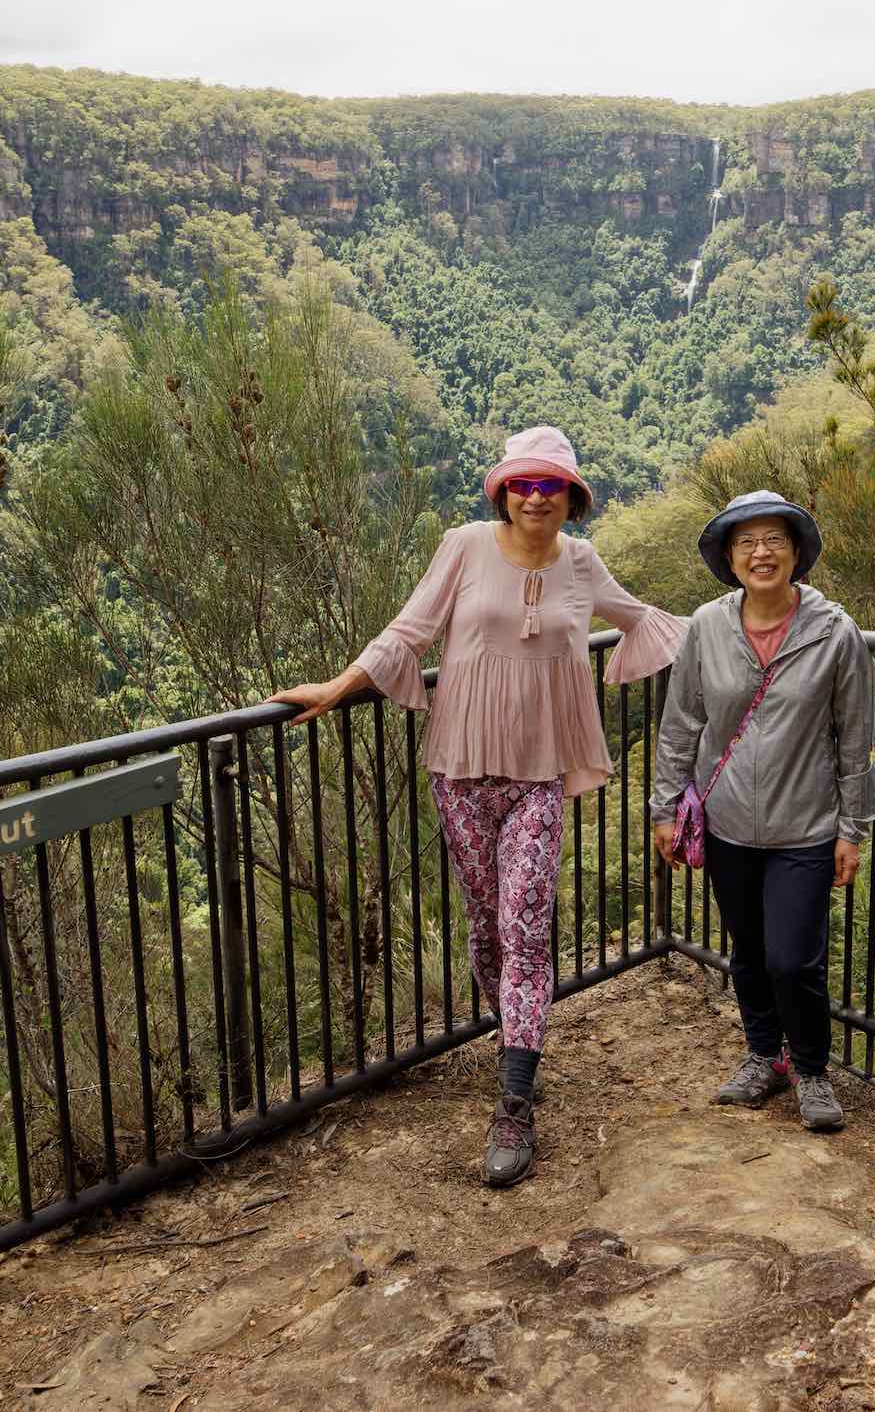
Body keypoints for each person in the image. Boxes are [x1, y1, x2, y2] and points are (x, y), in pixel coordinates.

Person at [268, 425, 681, 1187]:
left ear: (571, 498)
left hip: (539, 775)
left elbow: (643, 620)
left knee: (525, 925)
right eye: (523, 484)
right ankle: (515, 1043)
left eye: (550, 486)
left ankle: (515, 1105)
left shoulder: (583, 564)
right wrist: (336, 686)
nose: (535, 496)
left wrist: (749, 644)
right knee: (489, 930)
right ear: (502, 491)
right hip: (459, 771)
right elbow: (410, 630)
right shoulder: (463, 545)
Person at [650, 490, 875, 1132]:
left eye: (774, 538)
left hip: (806, 824)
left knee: (793, 958)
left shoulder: (835, 632)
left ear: (797, 551)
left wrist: (851, 829)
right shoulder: (707, 628)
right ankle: (762, 1056)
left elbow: (855, 737)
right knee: (748, 950)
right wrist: (665, 809)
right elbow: (681, 723)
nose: (761, 552)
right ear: (729, 557)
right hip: (727, 824)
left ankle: (809, 1069)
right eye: (746, 542)